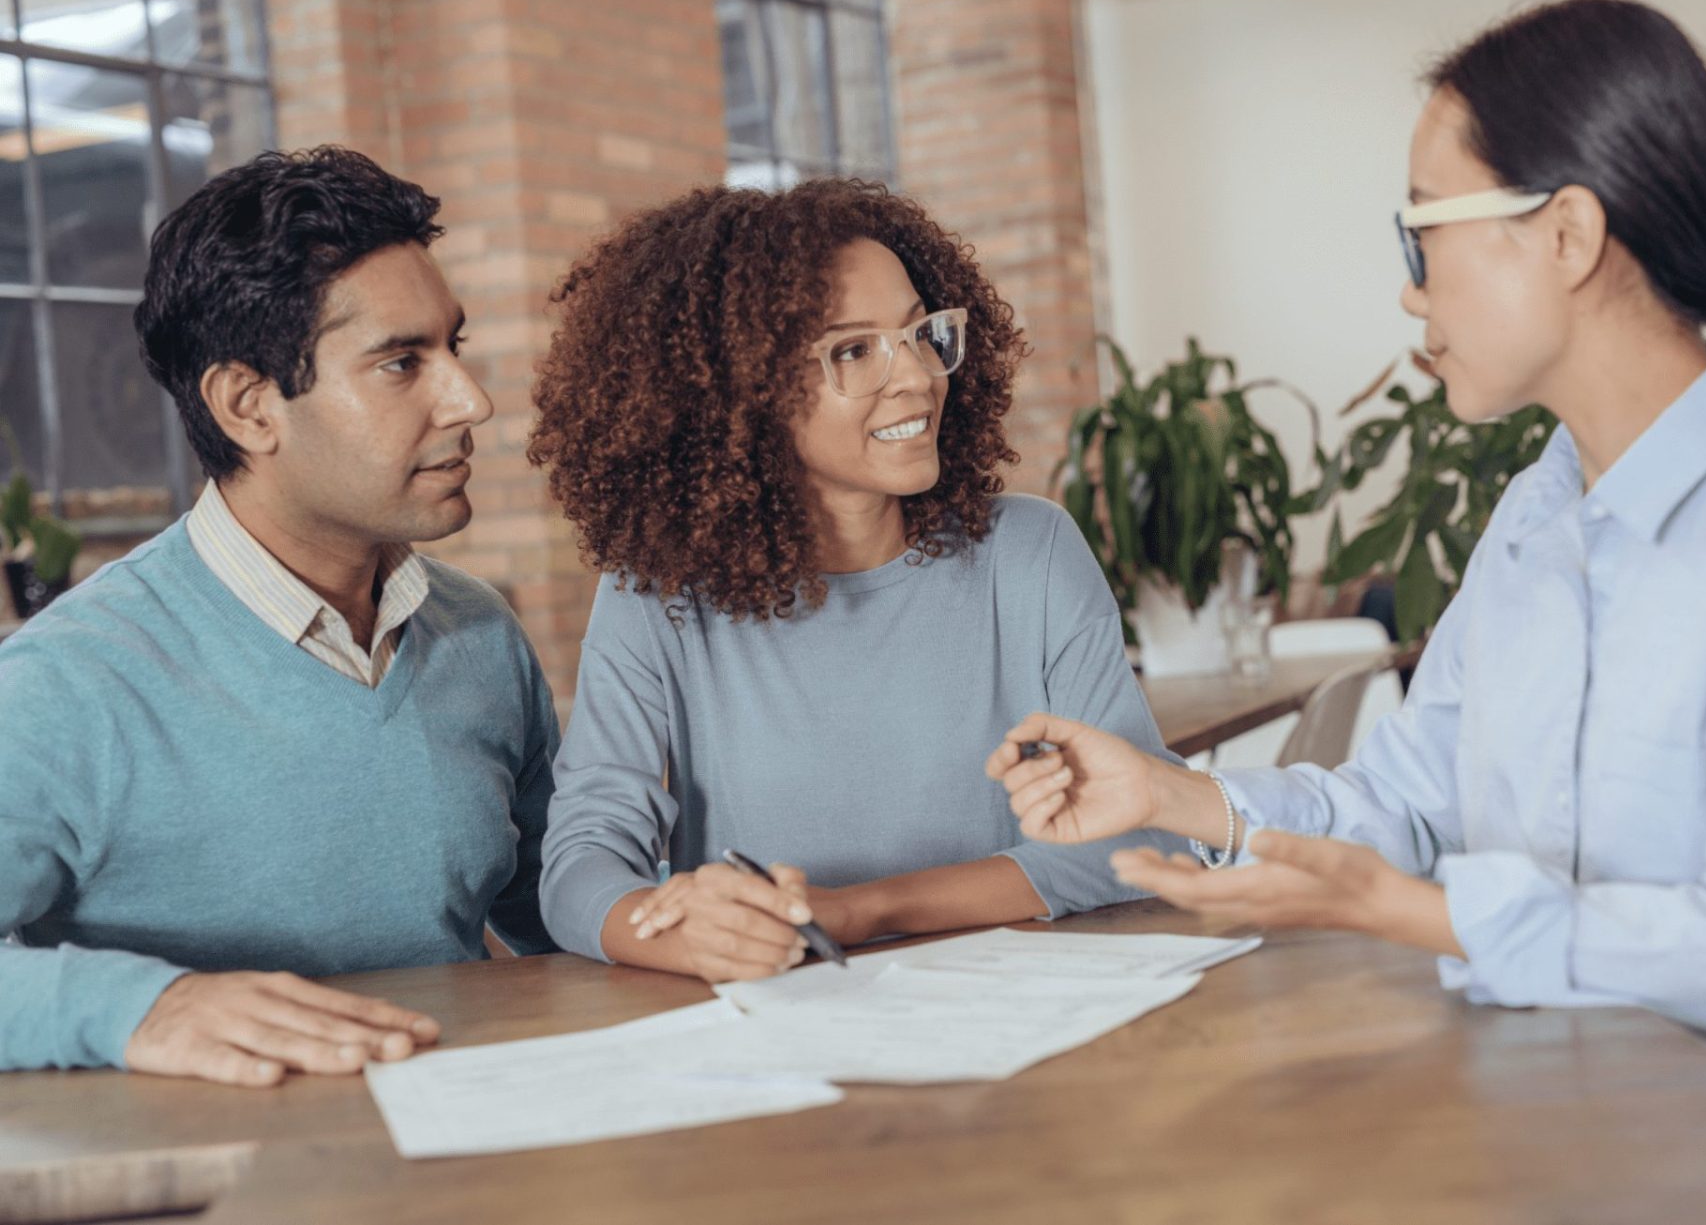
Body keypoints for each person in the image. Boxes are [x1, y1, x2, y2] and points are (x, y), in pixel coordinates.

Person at [988, 0, 1706, 1161]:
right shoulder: (1538, 515)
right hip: (1557, 1114)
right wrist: (1172, 796)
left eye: (1422, 232)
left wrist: (1406, 913)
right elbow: (1408, 802)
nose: (1410, 291)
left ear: (1569, 235)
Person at [530, 179, 1182, 984]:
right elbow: (580, 865)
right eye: (853, 350)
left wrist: (860, 910)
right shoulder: (657, 594)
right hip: (786, 1034)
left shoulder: (1031, 551)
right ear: (741, 396)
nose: (914, 376)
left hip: (1026, 1014)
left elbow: (1144, 840)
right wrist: (678, 929)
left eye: (919, 333)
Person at [0, 147, 558, 1087]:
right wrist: (144, 1005)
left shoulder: (480, 633)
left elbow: (563, 909)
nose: (471, 401)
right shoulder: (65, 683)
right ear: (249, 406)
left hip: (476, 1141)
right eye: (399, 363)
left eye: (451, 348)